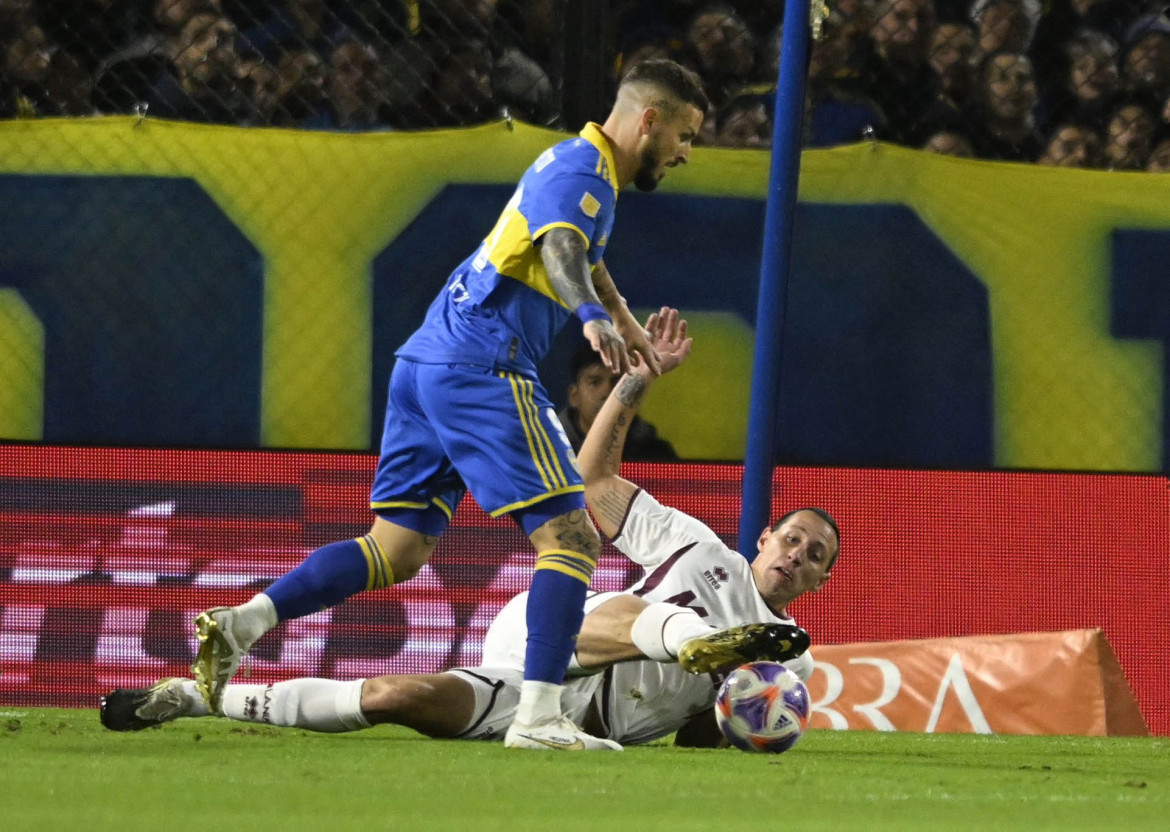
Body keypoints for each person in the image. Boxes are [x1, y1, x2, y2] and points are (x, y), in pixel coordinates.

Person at [186, 60, 710, 752]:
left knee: (393, 549)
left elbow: (578, 246)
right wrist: (588, 313)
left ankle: (246, 621)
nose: (685, 151)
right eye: (686, 133)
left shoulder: (577, 166)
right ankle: (541, 719)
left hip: (427, 362)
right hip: (482, 366)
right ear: (650, 119)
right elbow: (560, 248)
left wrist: (621, 314)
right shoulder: (586, 173)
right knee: (572, 540)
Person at [101, 309, 838, 748]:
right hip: (554, 636)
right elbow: (595, 481)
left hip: (585, 715)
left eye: (815, 557)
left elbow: (704, 738)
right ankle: (692, 642)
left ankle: (197, 696)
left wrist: (745, 730)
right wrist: (636, 380)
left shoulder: (792, 663)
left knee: (396, 699)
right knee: (639, 611)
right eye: (794, 537)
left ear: (819, 581)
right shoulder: (700, 546)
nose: (798, 555)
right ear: (763, 537)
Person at [557, 341, 678, 461]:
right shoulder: (550, 451)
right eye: (594, 382)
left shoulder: (656, 454)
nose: (607, 393)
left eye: (617, 382)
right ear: (574, 396)